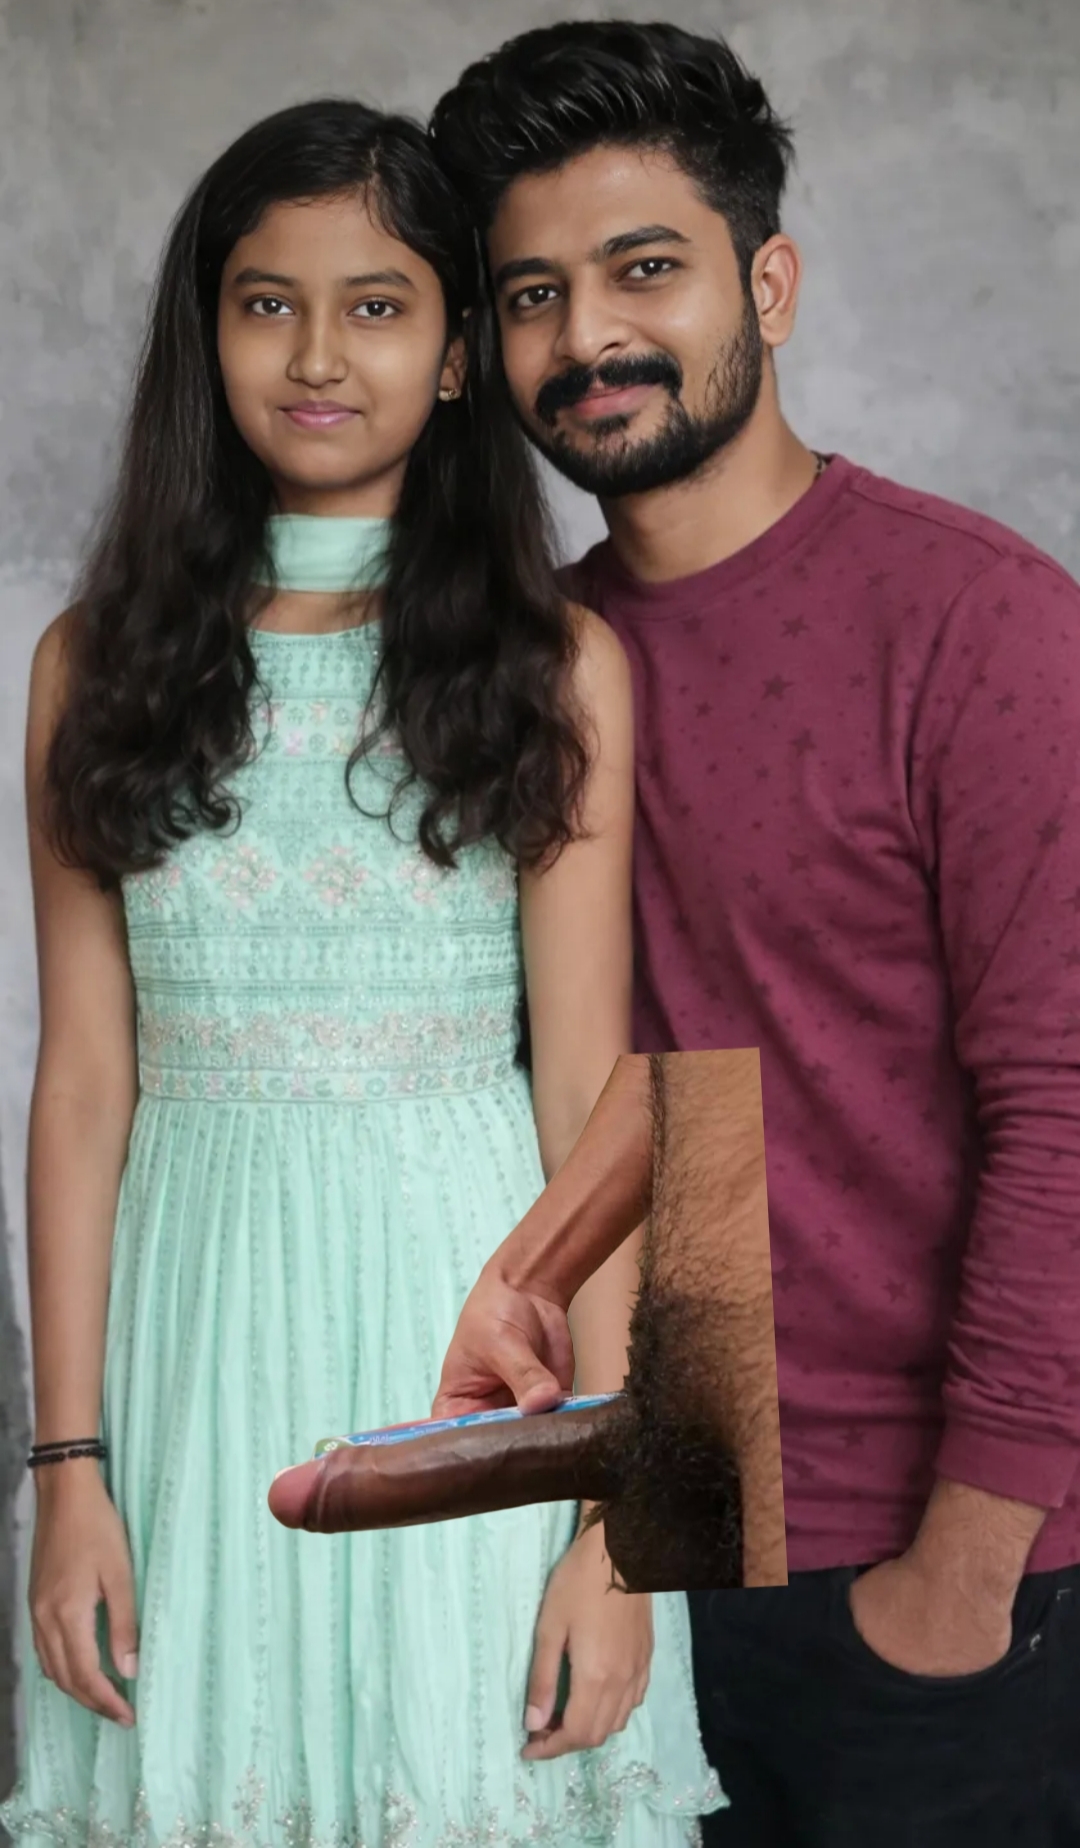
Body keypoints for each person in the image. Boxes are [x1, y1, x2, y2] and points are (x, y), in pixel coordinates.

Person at [0, 98, 721, 1848]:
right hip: (192, 1352)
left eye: (378, 306)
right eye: (269, 304)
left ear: (458, 352)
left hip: (473, 1351)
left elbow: (594, 1095)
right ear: (207, 336)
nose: (319, 355)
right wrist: (67, 1473)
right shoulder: (90, 666)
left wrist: (618, 1523)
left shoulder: (557, 665)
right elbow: (83, 1086)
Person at [421, 20, 1080, 1845]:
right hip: (633, 1546)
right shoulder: (527, 674)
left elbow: (1066, 1115)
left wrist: (966, 1568)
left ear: (766, 287)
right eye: (535, 294)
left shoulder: (980, 626)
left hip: (931, 1575)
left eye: (646, 270)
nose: (590, 335)